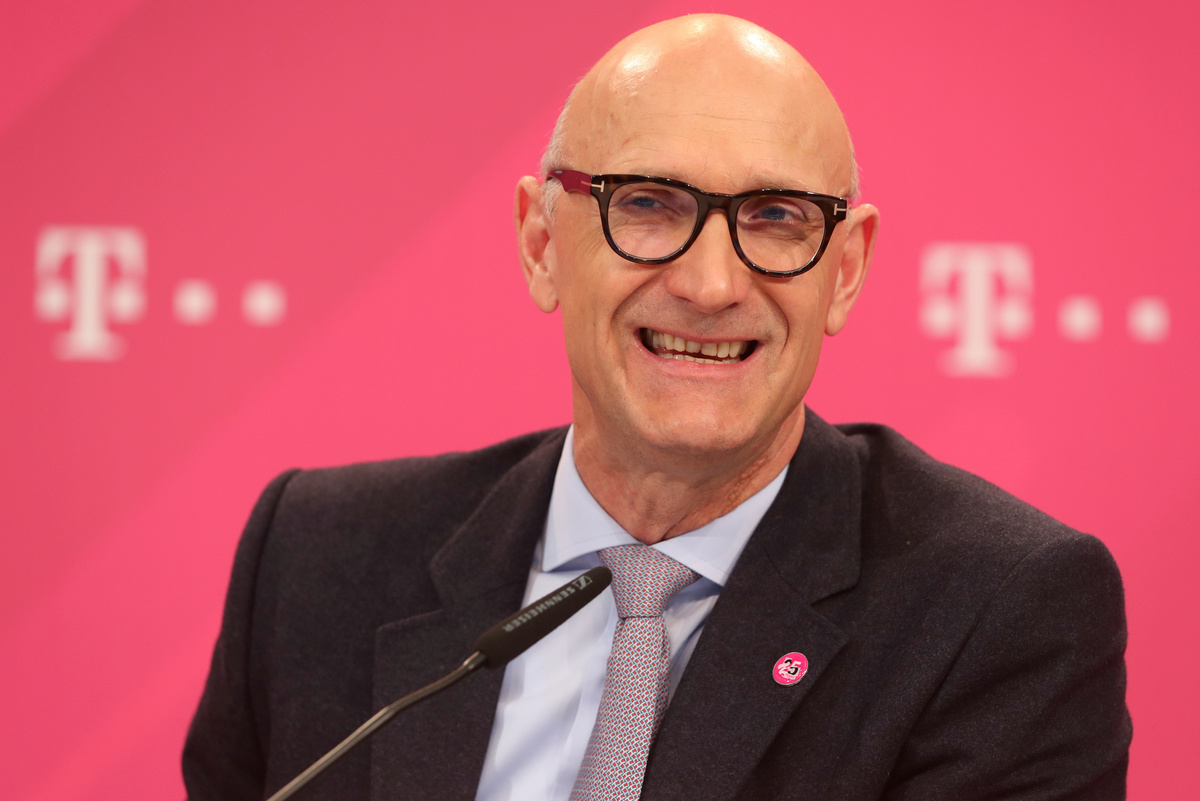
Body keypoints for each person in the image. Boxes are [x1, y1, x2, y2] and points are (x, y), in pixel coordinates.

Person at [183, 14, 1131, 801]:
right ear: (541, 242)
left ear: (845, 271)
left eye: (775, 217)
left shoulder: (997, 612)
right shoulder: (315, 562)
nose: (712, 283)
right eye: (647, 204)